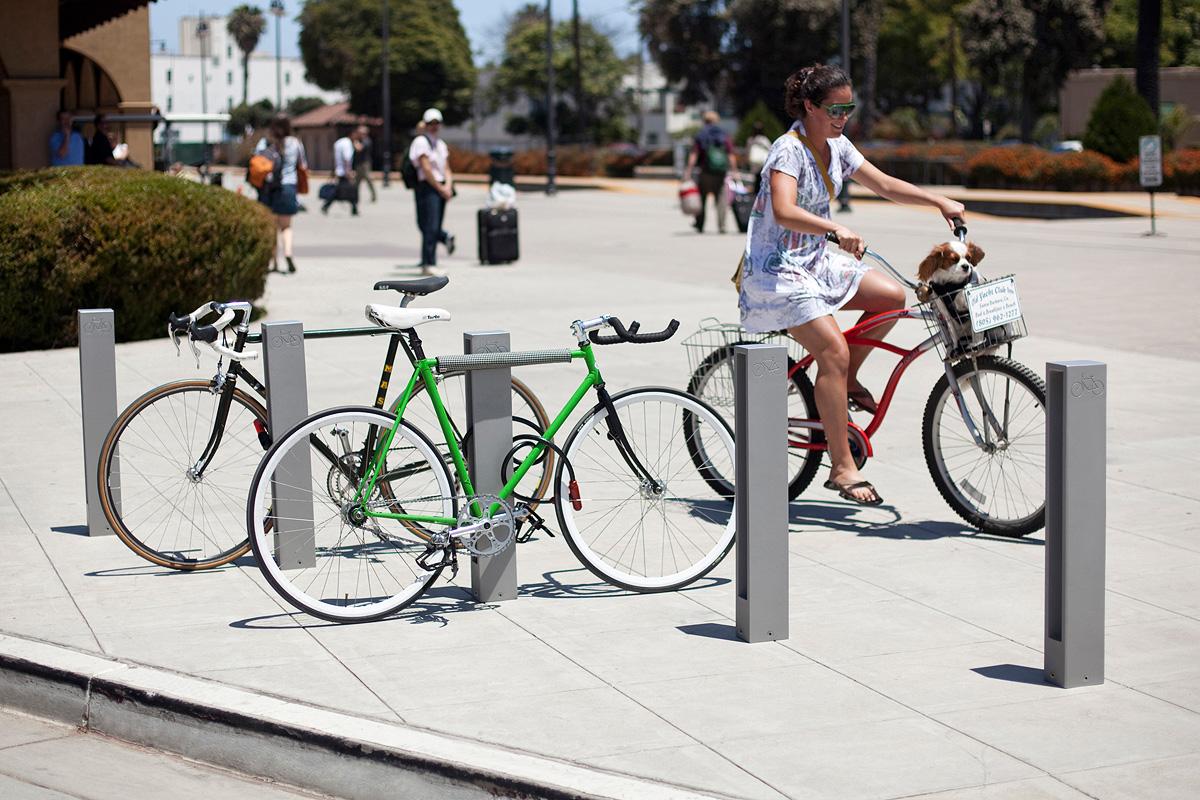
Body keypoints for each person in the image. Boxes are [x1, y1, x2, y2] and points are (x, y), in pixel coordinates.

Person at [738, 63, 965, 506]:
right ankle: (842, 467)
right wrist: (832, 228)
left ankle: (846, 377)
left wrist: (938, 200)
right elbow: (783, 210)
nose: (843, 116)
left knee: (891, 298)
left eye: (848, 108)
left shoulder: (838, 145)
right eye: (834, 109)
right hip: (777, 269)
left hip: (815, 260)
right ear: (809, 106)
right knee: (832, 351)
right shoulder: (788, 149)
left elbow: (882, 184)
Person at [255, 113, 307, 273]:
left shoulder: (265, 142)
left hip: (269, 189)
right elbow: (303, 164)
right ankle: (288, 253)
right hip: (289, 187)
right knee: (286, 227)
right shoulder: (295, 143)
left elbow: (256, 163)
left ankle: (274, 262)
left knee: (271, 227)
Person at [409, 107, 456, 276]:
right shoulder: (421, 142)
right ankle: (428, 262)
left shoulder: (441, 144)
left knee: (434, 225)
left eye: (437, 123)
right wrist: (440, 187)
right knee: (428, 225)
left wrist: (448, 186)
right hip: (428, 187)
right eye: (431, 123)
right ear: (426, 124)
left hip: (441, 186)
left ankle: (431, 261)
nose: (434, 126)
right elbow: (426, 168)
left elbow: (447, 168)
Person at [684, 110, 737, 233]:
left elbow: (694, 154)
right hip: (720, 172)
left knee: (701, 198)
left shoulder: (701, 134)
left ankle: (700, 224)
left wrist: (688, 170)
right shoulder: (724, 134)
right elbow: (730, 154)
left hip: (705, 171)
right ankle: (722, 225)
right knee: (721, 199)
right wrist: (735, 170)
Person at [322, 126, 359, 216]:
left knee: (340, 191)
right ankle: (354, 208)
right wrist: (349, 172)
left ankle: (353, 208)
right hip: (344, 171)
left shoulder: (339, 142)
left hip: (339, 170)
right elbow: (347, 159)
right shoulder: (347, 144)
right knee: (351, 190)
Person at [745, 121, 772, 196]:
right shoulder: (764, 140)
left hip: (754, 162)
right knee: (761, 179)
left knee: (755, 178)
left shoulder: (750, 139)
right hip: (762, 162)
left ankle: (755, 193)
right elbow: (770, 149)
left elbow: (747, 150)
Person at [353, 125, 377, 203]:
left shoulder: (366, 141)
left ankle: (373, 196)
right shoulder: (361, 140)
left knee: (368, 179)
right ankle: (355, 197)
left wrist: (355, 141)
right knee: (357, 182)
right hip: (359, 163)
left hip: (365, 164)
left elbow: (359, 149)